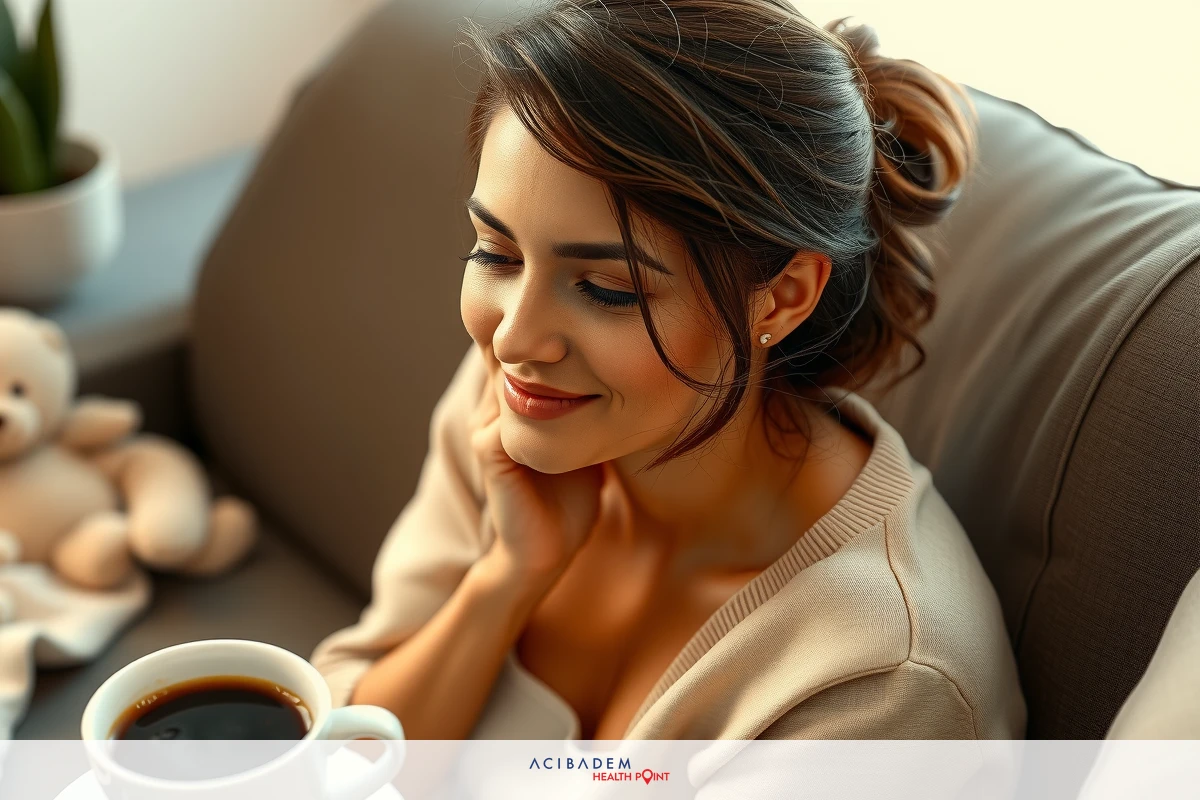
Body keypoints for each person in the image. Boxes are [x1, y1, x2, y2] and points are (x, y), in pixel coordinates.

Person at [311, 0, 1026, 741]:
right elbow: (337, 737)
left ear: (782, 298)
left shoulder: (881, 681)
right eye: (497, 253)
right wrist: (505, 577)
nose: (515, 336)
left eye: (607, 288)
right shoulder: (521, 400)